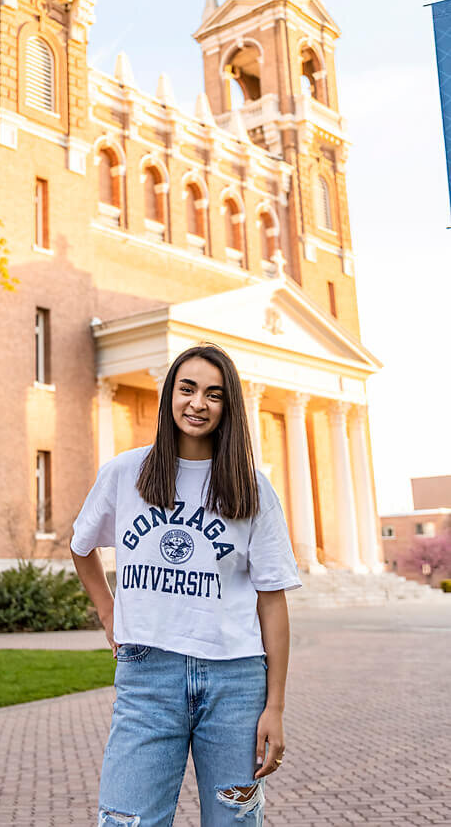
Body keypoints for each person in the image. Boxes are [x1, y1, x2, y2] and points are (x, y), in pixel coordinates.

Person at [70, 344, 301, 827]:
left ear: (228, 407)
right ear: (169, 395)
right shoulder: (126, 473)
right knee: (127, 821)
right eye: (187, 388)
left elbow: (272, 601)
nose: (198, 403)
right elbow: (81, 544)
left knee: (234, 822)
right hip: (147, 678)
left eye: (214, 395)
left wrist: (274, 706)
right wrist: (109, 613)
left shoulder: (251, 487)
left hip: (235, 683)